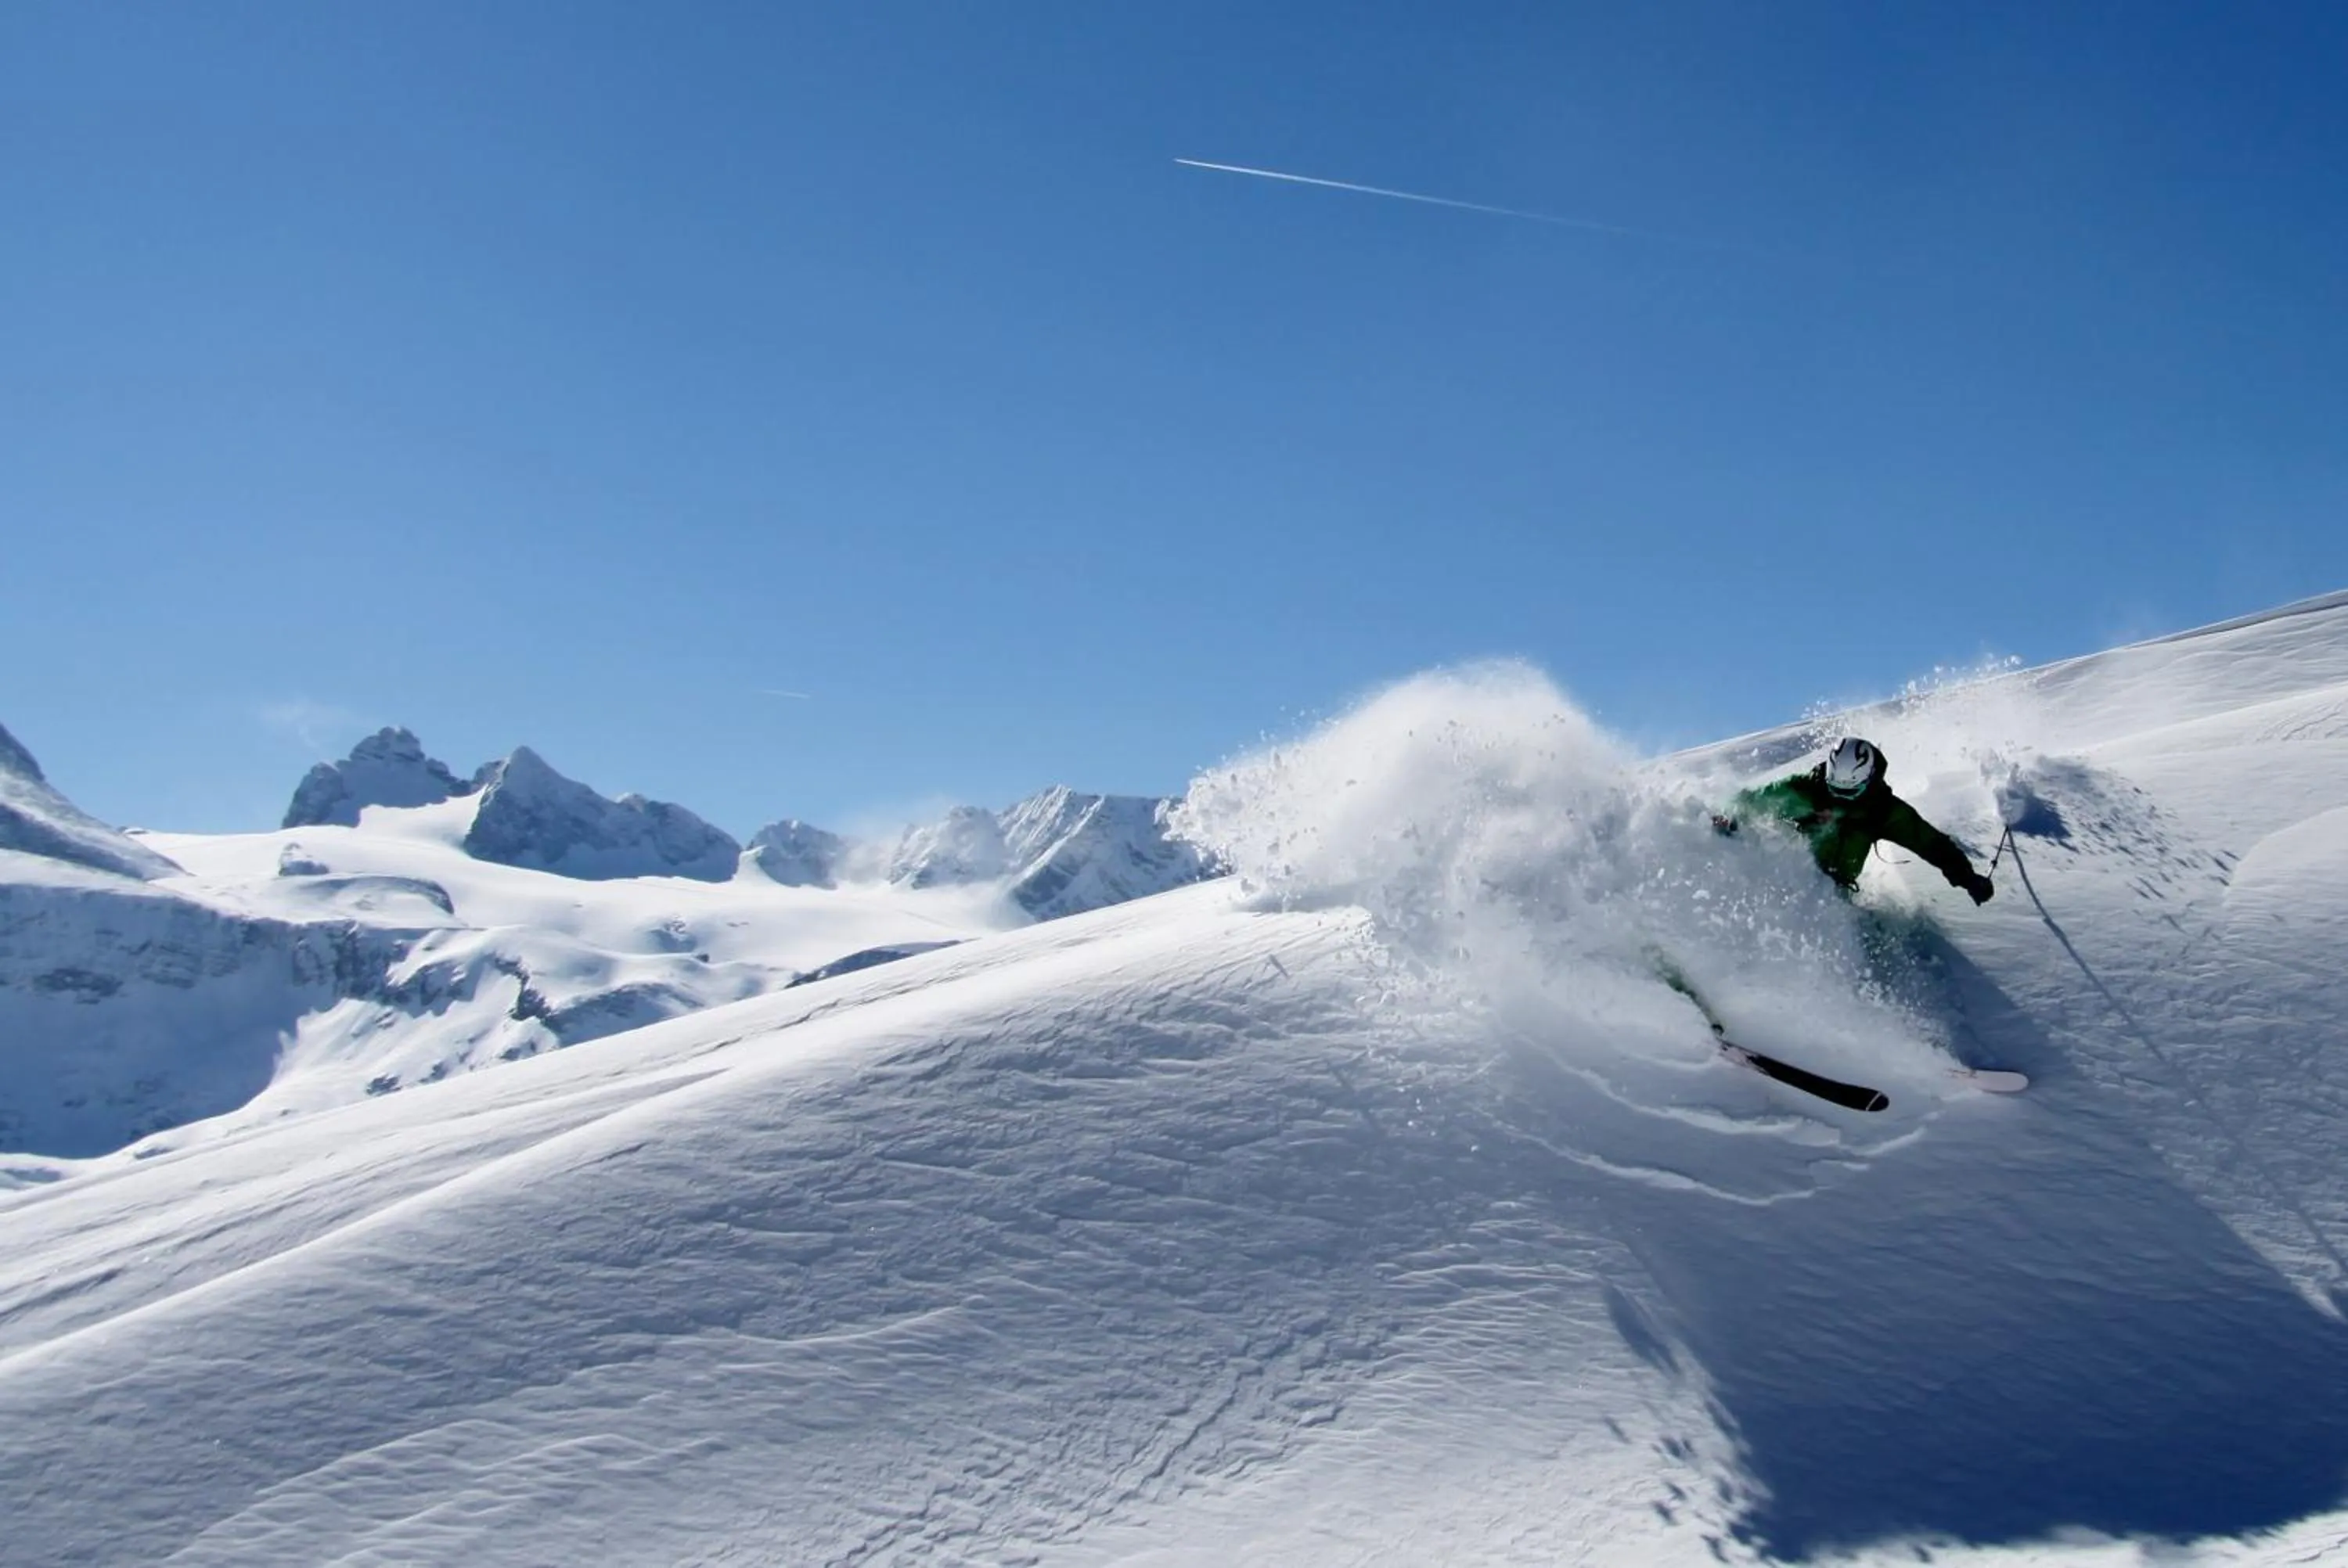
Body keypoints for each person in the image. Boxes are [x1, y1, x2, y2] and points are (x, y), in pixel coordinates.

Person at [1713, 737, 1995, 904]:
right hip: (1787, 881)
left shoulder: (1882, 811)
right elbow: (1753, 800)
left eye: (1849, 792)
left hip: (1834, 896)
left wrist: (1967, 877)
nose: (1839, 797)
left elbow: (1930, 843)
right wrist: (1730, 819)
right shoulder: (1805, 789)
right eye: (1834, 788)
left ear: (1869, 779)